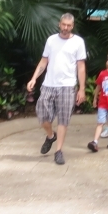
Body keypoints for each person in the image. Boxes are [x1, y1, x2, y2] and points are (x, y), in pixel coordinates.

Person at [27, 13, 86, 165]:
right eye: (64, 24)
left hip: (67, 86)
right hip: (48, 84)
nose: (66, 28)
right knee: (42, 115)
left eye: (69, 25)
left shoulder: (78, 42)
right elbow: (43, 61)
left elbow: (81, 67)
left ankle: (58, 151)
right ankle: (50, 135)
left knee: (63, 119)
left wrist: (82, 89)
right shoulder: (51, 40)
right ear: (59, 24)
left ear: (72, 26)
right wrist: (34, 78)